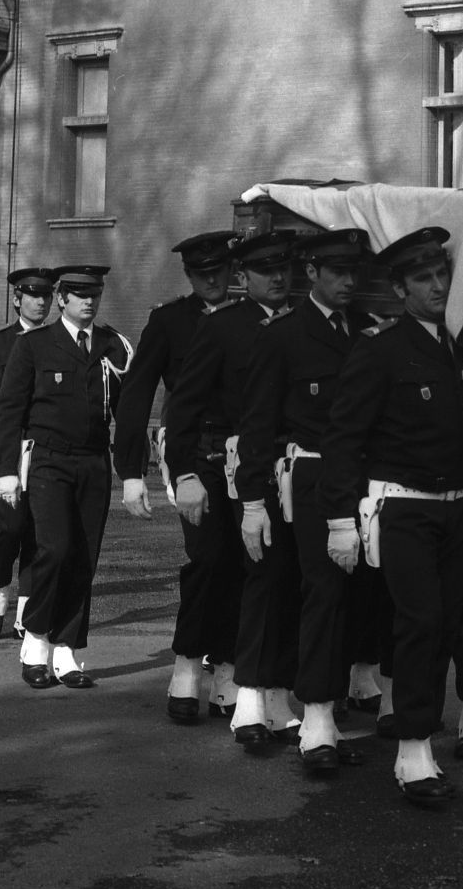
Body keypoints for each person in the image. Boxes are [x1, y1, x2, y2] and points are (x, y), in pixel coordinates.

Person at [320, 226, 463, 809]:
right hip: (403, 508)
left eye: (442, 274)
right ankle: (414, 751)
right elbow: (344, 438)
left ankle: (417, 729)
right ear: (398, 288)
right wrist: (342, 519)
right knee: (419, 622)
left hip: (457, 508)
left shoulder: (460, 348)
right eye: (424, 278)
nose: (438, 286)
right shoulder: (380, 349)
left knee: (445, 625)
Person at [236, 226, 375, 775]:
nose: (347, 281)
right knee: (321, 592)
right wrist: (251, 499)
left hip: (365, 480)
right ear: (311, 273)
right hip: (309, 481)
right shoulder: (283, 336)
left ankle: (331, 704)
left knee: (357, 595)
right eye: (336, 271)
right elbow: (257, 423)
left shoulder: (368, 330)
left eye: (353, 272)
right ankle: (315, 717)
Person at [0, 265, 146, 689]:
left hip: (93, 463)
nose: (88, 301)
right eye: (78, 294)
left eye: (94, 293)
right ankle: (36, 639)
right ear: (61, 299)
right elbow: (9, 412)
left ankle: (67, 649)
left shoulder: (113, 345)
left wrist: (133, 470)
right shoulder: (36, 345)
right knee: (53, 549)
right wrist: (5, 471)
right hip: (48, 462)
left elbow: (128, 415)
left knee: (84, 556)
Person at [115, 229, 243, 724]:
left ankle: (229, 670)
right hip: (193, 453)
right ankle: (188, 663)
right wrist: (131, 471)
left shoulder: (248, 319)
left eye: (219, 271)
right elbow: (136, 392)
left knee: (244, 563)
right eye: (201, 274)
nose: (212, 280)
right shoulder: (169, 321)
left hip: (244, 455)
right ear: (189, 276)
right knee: (208, 559)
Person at [206, 230, 307, 748]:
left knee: (293, 584)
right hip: (243, 469)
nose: (278, 278)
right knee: (257, 581)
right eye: (266, 270)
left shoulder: (303, 328)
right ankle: (247, 697)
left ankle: (278, 696)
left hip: (301, 471)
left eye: (285, 268)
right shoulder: (224, 328)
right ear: (242, 276)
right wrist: (181, 471)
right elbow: (189, 407)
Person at [0, 266, 57, 638]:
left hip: (48, 444)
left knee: (39, 530)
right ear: (17, 299)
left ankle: (27, 609)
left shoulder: (60, 341)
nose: (41, 302)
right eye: (33, 295)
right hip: (12, 442)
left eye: (46, 295)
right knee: (9, 525)